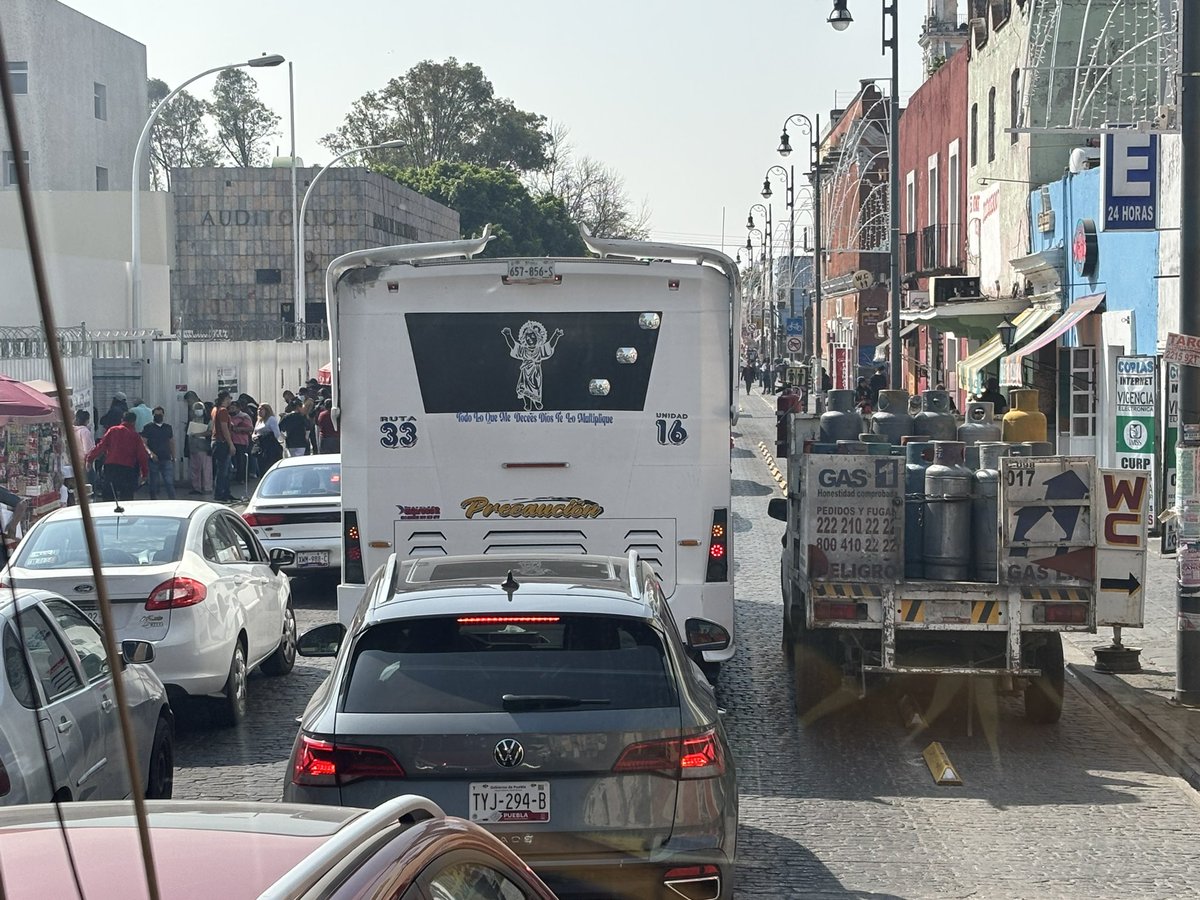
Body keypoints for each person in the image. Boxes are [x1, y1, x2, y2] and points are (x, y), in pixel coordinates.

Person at [86, 410, 149, 502]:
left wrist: (90, 459)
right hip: (127, 469)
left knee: (109, 497)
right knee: (126, 497)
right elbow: (142, 455)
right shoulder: (135, 436)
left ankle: (109, 515)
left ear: (122, 419)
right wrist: (144, 473)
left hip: (111, 467)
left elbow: (101, 446)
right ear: (134, 422)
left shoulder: (112, 430)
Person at [141, 406, 176, 500]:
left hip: (166, 458)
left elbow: (171, 442)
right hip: (153, 459)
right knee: (154, 483)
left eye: (160, 414)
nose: (158, 416)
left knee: (169, 482)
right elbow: (143, 443)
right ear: (153, 415)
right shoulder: (148, 427)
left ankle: (173, 501)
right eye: (156, 414)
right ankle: (154, 501)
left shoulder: (168, 427)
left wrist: (173, 456)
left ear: (163, 415)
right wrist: (150, 453)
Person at [210, 392, 235, 502]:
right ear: (226, 399)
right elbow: (224, 428)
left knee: (225, 469)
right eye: (229, 398)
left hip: (215, 441)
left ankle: (226, 492)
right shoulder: (223, 411)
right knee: (223, 470)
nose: (230, 401)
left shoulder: (215, 409)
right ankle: (220, 494)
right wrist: (231, 444)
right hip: (222, 442)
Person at [185, 401, 213, 495]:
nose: (198, 411)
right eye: (196, 409)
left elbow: (210, 432)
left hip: (204, 447)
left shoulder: (208, 420)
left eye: (199, 409)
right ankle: (196, 488)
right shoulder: (191, 420)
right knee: (194, 469)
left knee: (206, 469)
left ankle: (207, 487)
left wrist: (198, 434)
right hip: (193, 447)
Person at [229, 400, 255, 485]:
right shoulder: (229, 416)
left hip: (241, 441)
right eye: (230, 408)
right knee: (234, 460)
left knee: (241, 460)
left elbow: (250, 428)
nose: (231, 410)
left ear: (238, 408)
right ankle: (236, 476)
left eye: (233, 408)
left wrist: (239, 429)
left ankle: (242, 477)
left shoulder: (244, 416)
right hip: (231, 441)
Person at [253, 403, 284, 473]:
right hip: (260, 446)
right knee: (261, 466)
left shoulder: (271, 419)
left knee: (269, 465)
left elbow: (277, 433)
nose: (259, 411)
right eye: (258, 409)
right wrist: (254, 437)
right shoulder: (259, 421)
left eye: (261, 409)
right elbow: (254, 432)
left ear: (267, 410)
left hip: (270, 446)